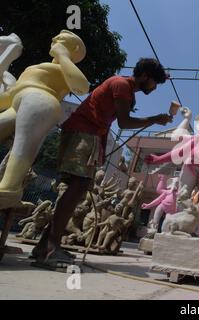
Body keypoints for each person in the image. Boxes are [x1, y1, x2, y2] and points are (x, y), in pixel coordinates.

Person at [32, 58, 173, 269]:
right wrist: (154, 119)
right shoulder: (121, 85)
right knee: (75, 189)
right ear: (145, 76)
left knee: (76, 191)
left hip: (91, 136)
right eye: (155, 82)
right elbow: (124, 123)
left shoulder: (126, 89)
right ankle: (50, 249)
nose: (154, 88)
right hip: (83, 132)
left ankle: (46, 246)